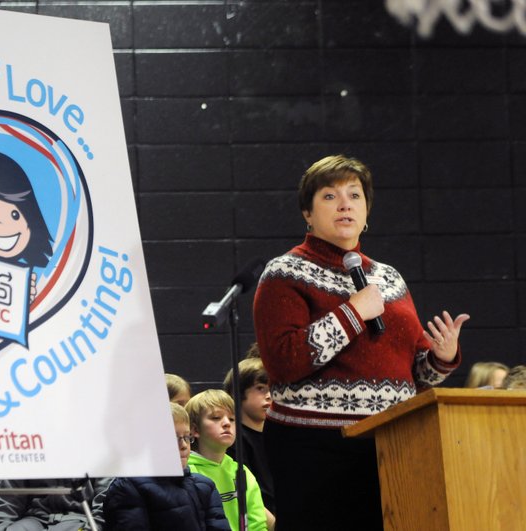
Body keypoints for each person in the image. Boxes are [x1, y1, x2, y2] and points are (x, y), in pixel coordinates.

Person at [253, 154, 469, 531]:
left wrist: (440, 358)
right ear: (307, 212)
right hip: (314, 447)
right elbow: (284, 360)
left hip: (393, 441)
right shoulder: (284, 271)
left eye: (354, 195)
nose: (344, 204)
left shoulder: (389, 277)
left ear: (366, 212)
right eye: (329, 196)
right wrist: (353, 312)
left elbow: (413, 375)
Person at [103, 402, 231, 530]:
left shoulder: (205, 485)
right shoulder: (129, 487)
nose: (184, 445)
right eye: (174, 438)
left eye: (186, 437)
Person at [185, 390, 268, 531]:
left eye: (232, 419)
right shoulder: (187, 473)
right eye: (216, 417)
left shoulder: (241, 471)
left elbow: (258, 523)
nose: (226, 423)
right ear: (194, 429)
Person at [223, 356, 275, 529]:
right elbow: (247, 495)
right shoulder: (234, 440)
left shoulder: (275, 435)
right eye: (260, 388)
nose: (269, 396)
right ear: (237, 393)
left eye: (272, 389)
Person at [0, 477, 111, 531]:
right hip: (34, 519)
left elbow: (105, 500)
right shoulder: (32, 447)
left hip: (79, 520)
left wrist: (93, 528)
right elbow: (8, 498)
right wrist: (2, 528)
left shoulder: (95, 449)